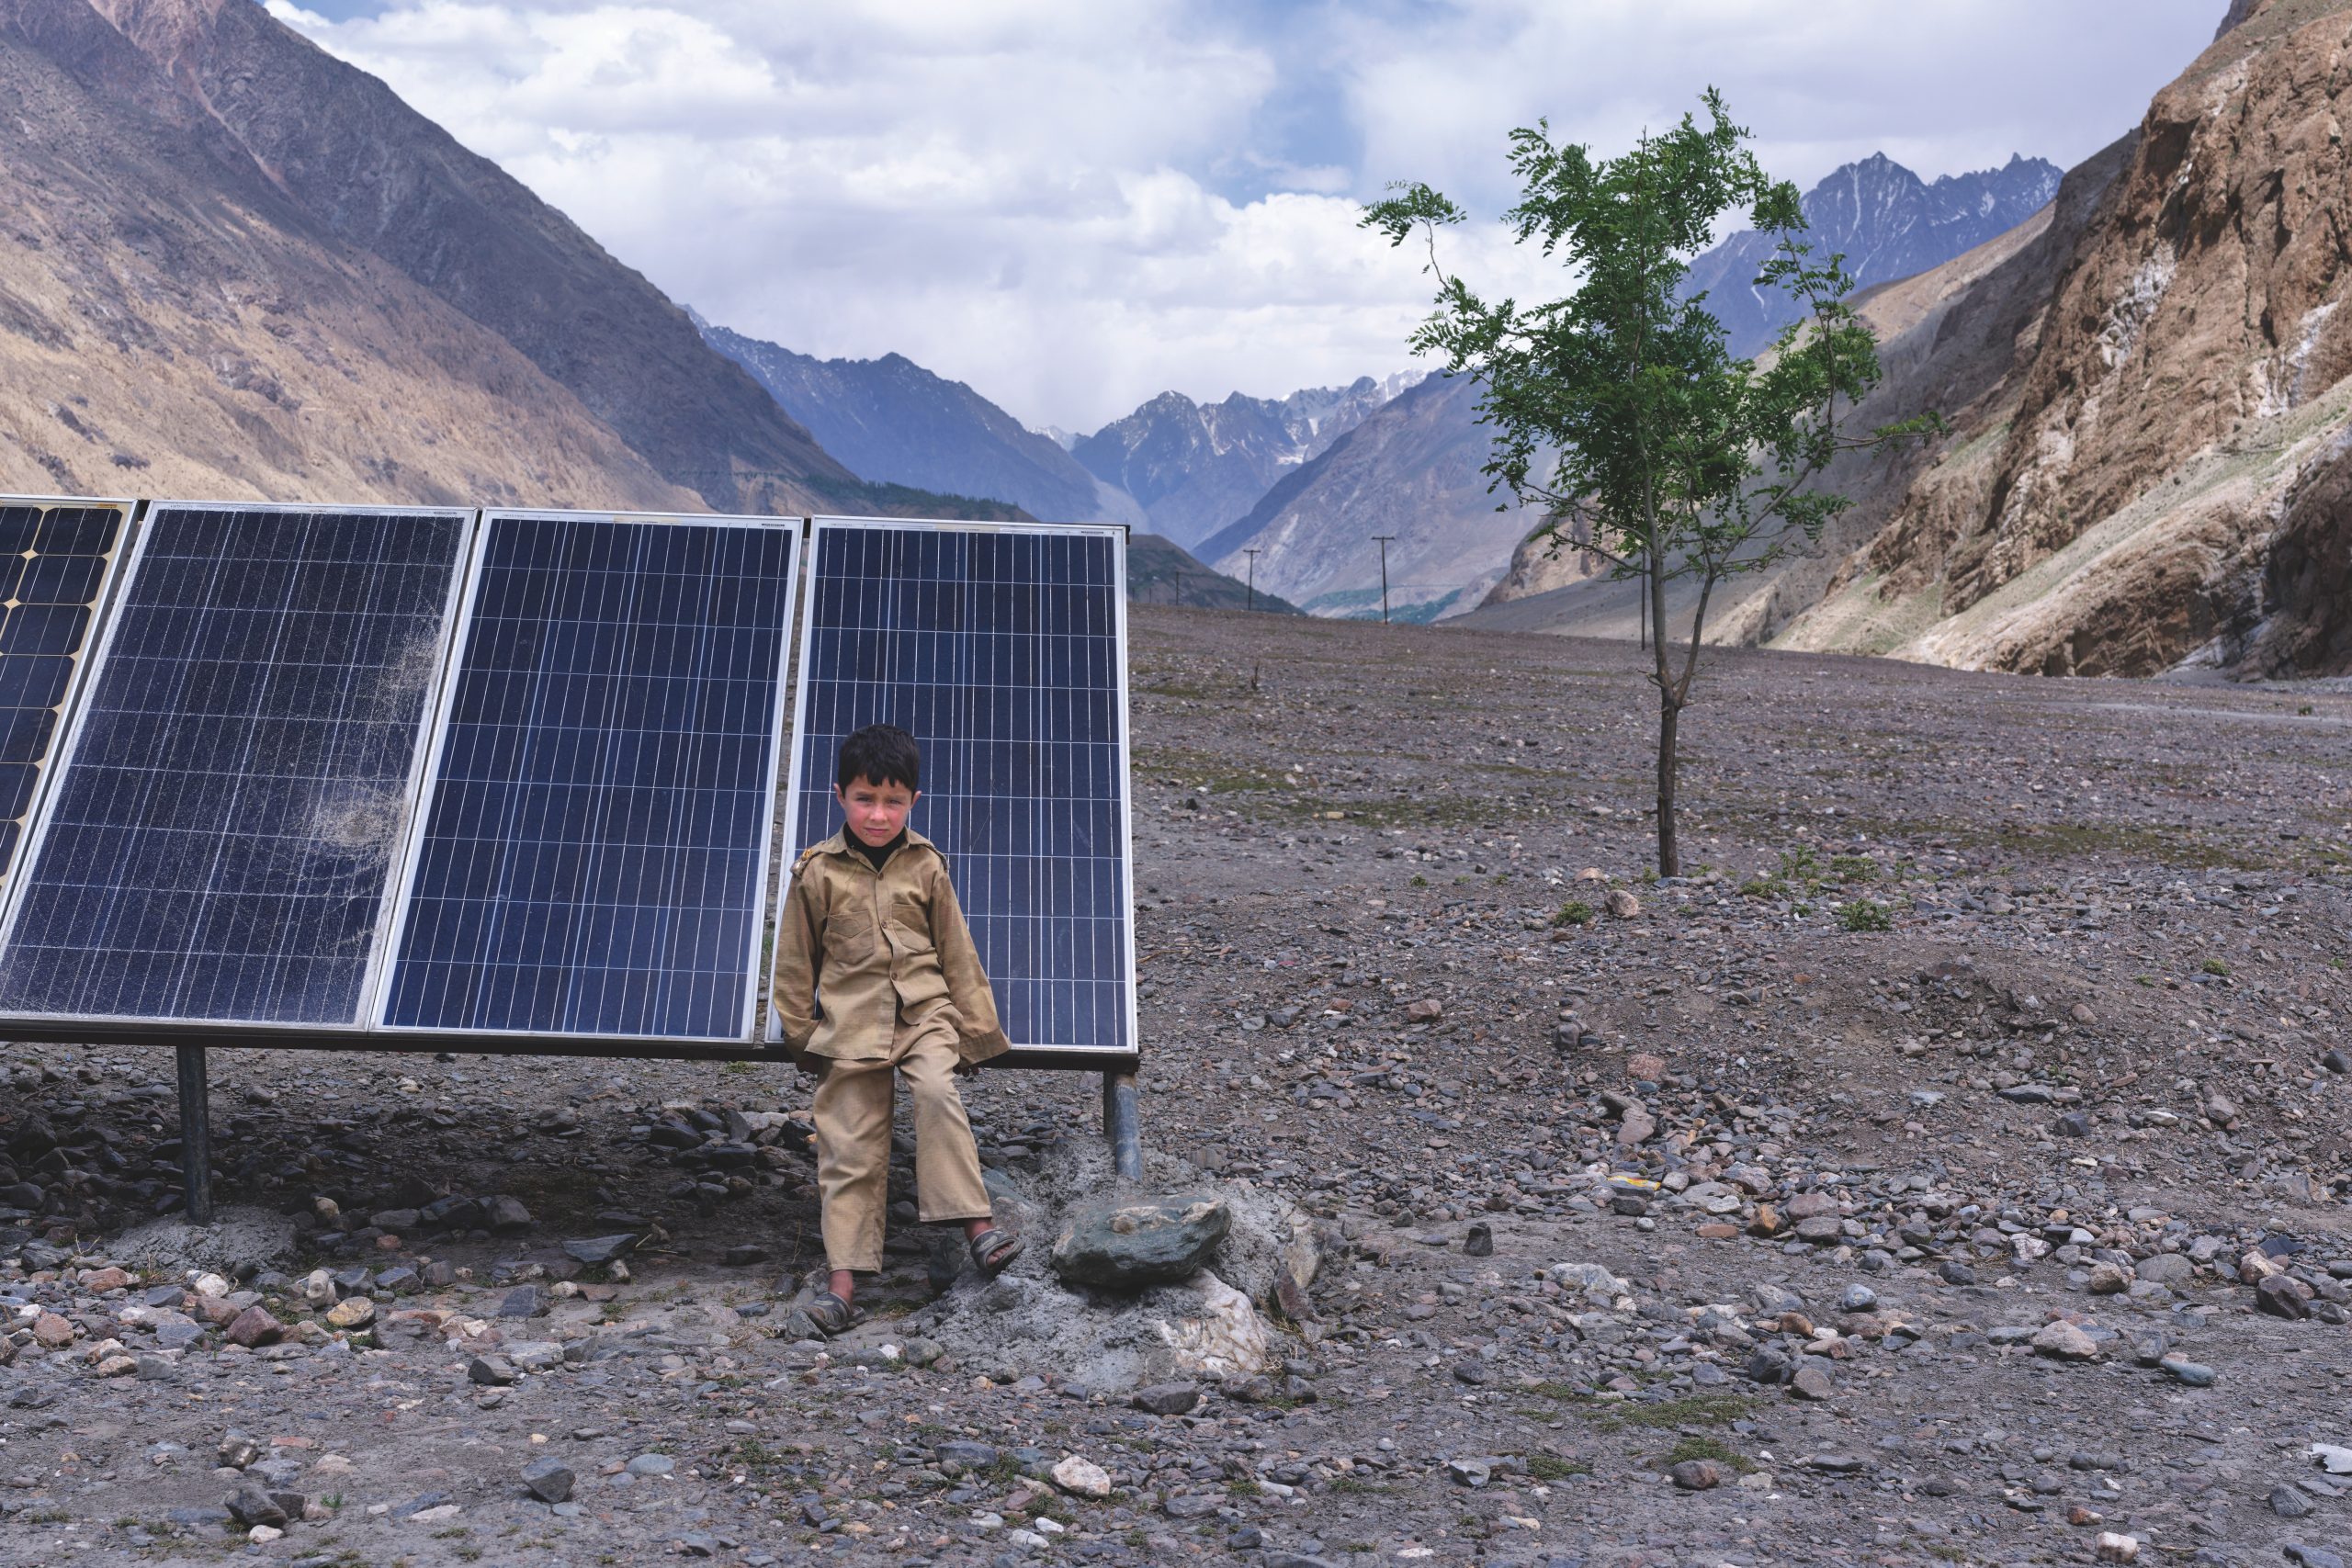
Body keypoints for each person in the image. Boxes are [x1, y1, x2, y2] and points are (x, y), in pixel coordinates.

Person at [770, 723, 1021, 1334]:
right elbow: (795, 963)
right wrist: (804, 1039)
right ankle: (843, 1286)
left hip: (924, 1017)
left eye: (892, 801)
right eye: (864, 798)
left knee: (937, 1094)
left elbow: (957, 952)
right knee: (847, 1145)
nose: (877, 814)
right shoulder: (817, 872)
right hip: (849, 1026)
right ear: (838, 795)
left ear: (913, 801)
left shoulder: (927, 866)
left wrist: (975, 1035)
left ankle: (978, 1230)